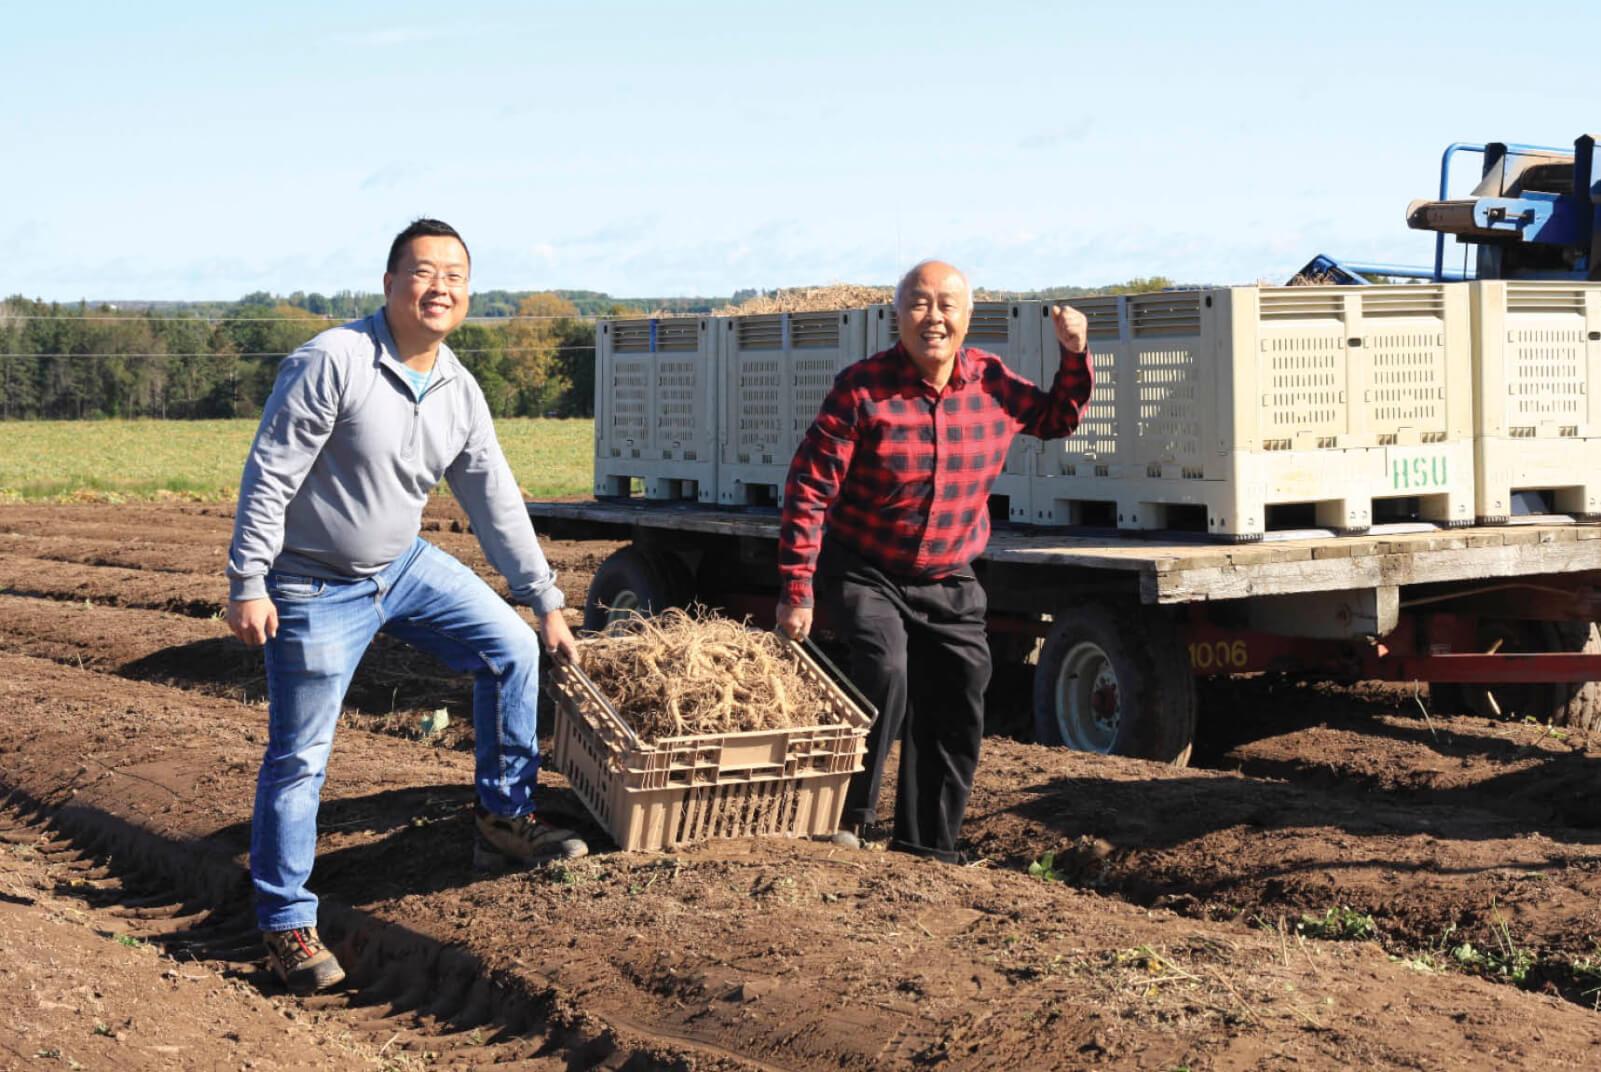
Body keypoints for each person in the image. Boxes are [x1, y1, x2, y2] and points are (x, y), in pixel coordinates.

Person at [225, 218, 584, 995]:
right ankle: (286, 922)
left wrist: (544, 599)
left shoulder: (457, 386)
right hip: (313, 582)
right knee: (300, 757)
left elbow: (493, 498)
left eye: (455, 275)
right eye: (423, 272)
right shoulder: (333, 361)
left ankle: (502, 820)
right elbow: (271, 473)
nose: (440, 287)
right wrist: (249, 580)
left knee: (511, 649)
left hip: (402, 566)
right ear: (389, 284)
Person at [775, 260, 1092, 863]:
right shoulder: (862, 388)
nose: (935, 317)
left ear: (969, 317)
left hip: (948, 576)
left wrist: (1074, 355)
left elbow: (1058, 418)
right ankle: (847, 822)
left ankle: (928, 849)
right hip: (865, 567)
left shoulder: (992, 383)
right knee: (885, 666)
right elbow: (809, 487)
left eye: (948, 305)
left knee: (962, 688)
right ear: (897, 316)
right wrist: (797, 588)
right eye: (920, 304)